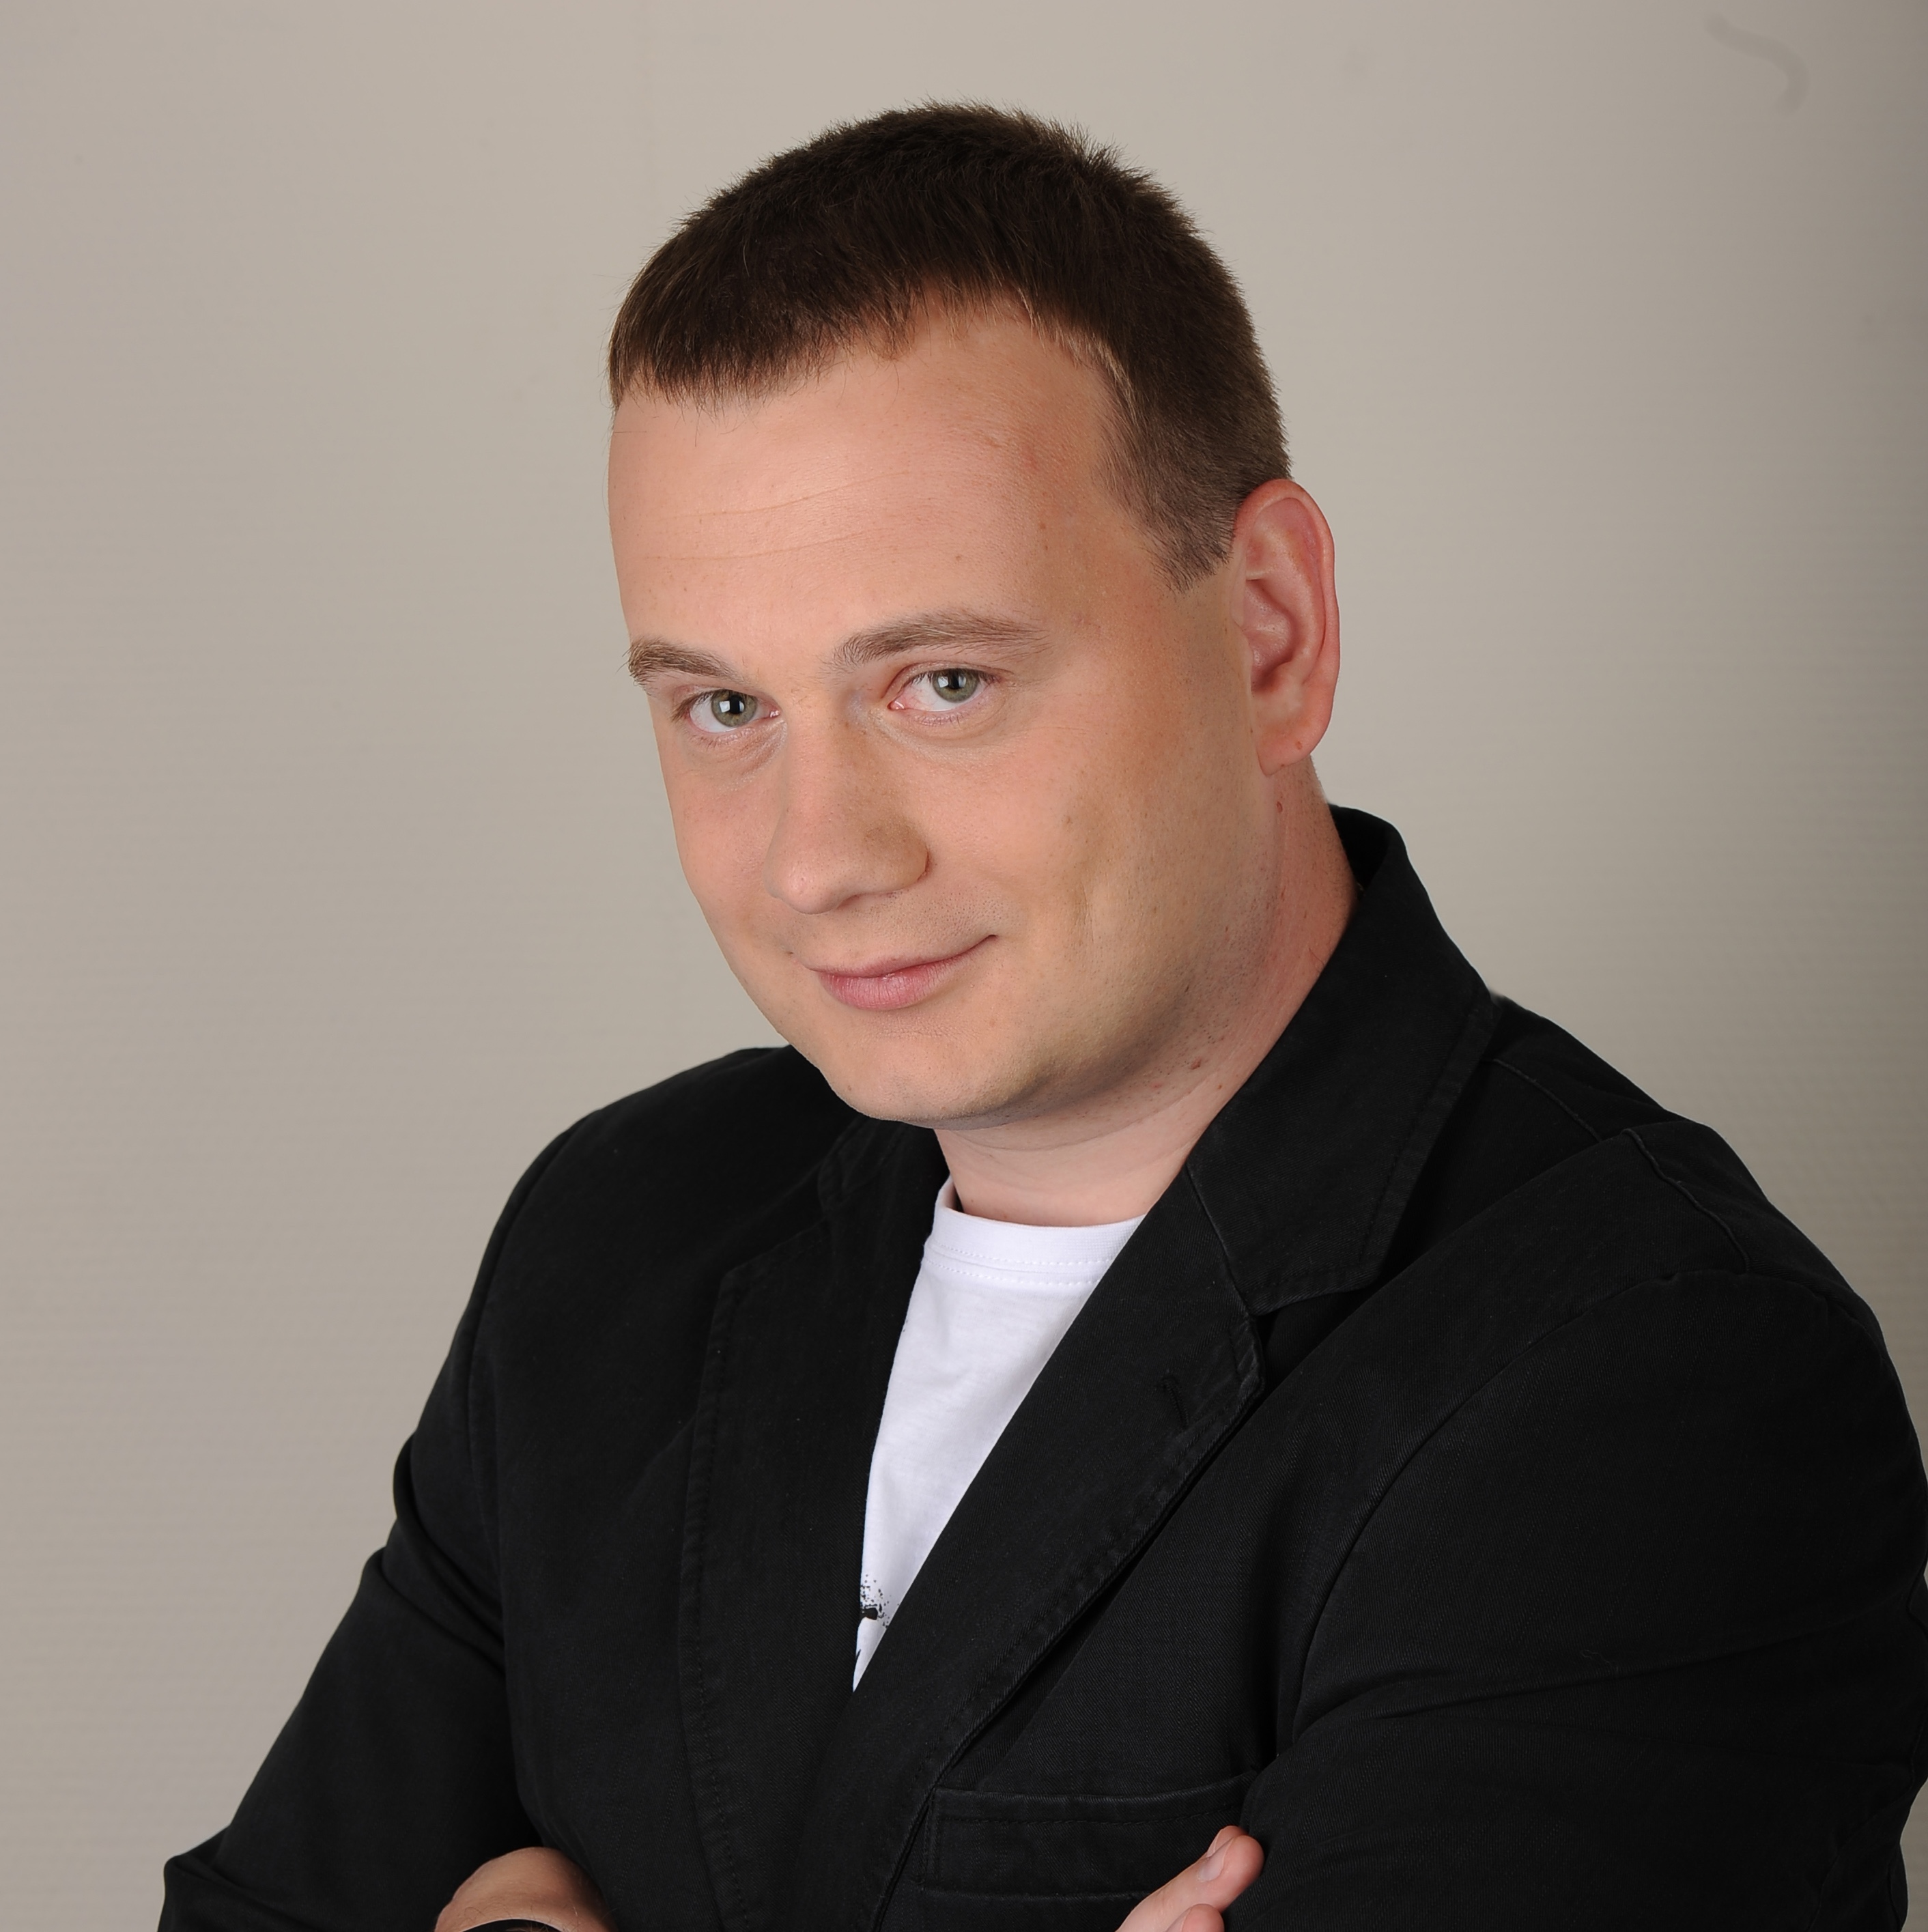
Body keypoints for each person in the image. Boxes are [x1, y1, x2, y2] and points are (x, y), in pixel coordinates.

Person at [160, 105, 1927, 1932]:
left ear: (1270, 631)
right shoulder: (619, 1241)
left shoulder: (1652, 1380)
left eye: (942, 682)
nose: (818, 860)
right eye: (723, 710)